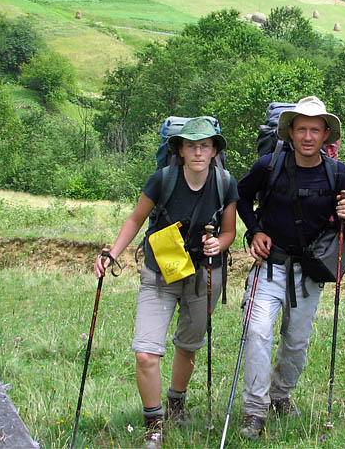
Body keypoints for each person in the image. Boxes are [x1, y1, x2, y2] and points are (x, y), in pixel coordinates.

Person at [94, 117, 238, 449]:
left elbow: (229, 230)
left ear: (214, 150)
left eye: (205, 145)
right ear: (181, 150)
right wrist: (111, 253)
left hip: (204, 274)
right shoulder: (163, 179)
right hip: (160, 270)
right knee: (146, 353)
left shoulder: (226, 182)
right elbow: (135, 219)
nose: (198, 152)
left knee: (188, 346)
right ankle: (153, 423)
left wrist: (221, 244)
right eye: (191, 145)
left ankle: (176, 402)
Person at [236, 96, 345, 439]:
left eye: (314, 130)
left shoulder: (338, 173)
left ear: (325, 135)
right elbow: (240, 197)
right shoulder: (267, 165)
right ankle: (254, 411)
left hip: (309, 274)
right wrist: (254, 230)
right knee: (257, 333)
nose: (307, 136)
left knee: (296, 343)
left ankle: (281, 395)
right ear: (290, 132)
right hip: (269, 267)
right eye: (301, 129)